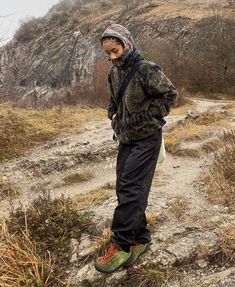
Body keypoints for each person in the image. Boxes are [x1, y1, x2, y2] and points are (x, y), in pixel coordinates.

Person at [94, 23, 178, 273]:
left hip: (148, 139)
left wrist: (151, 117)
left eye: (115, 51)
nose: (112, 57)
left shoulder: (146, 69)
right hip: (126, 139)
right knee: (125, 187)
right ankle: (140, 239)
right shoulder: (113, 73)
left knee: (131, 188)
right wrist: (113, 113)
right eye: (108, 53)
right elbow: (114, 99)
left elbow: (170, 95)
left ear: (126, 44)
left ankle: (121, 245)